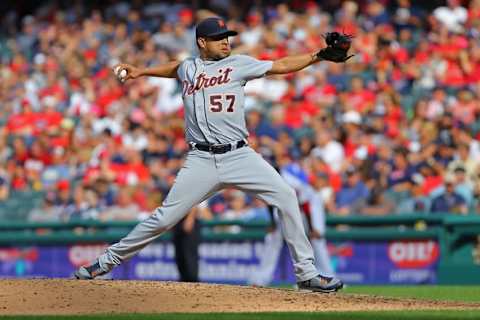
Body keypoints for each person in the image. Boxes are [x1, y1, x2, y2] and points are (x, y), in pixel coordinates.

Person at [74, 16, 344, 292]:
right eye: (218, 37)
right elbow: (176, 68)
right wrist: (142, 72)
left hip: (240, 155)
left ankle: (307, 274)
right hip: (201, 160)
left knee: (286, 197)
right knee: (164, 218)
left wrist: (317, 55)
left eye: (227, 36)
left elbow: (280, 65)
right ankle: (105, 262)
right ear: (202, 42)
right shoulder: (189, 67)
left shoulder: (238, 64)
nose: (225, 41)